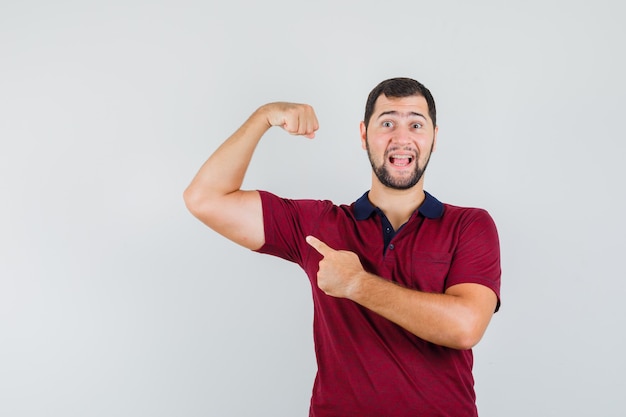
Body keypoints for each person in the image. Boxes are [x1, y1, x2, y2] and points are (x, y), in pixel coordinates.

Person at [183, 77, 501, 417]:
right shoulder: (321, 224)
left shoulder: (469, 225)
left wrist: (356, 284)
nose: (402, 138)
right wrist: (264, 116)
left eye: (416, 124)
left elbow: (466, 327)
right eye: (388, 122)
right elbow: (205, 198)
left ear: (434, 137)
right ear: (364, 135)